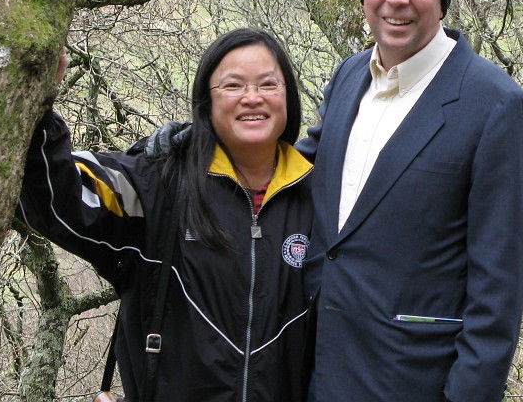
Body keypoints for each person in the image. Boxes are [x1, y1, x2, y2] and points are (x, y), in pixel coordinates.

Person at [297, 0, 523, 402]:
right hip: (319, 370)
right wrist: (192, 154)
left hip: (412, 382)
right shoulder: (349, 76)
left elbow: (497, 296)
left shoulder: (497, 106)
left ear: (443, 0)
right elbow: (294, 171)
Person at [18, 28, 314, 402]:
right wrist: (39, 102)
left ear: (288, 96)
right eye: (233, 85)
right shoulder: (157, 185)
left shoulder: (323, 198)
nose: (252, 97)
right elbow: (55, 197)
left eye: (268, 84)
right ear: (205, 102)